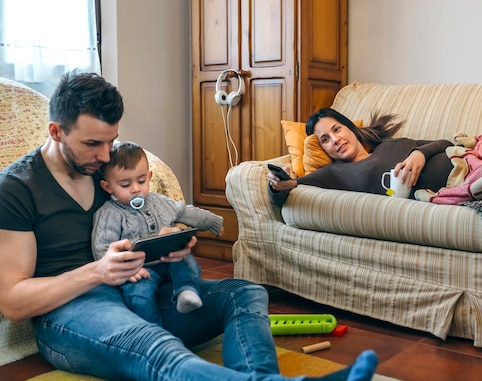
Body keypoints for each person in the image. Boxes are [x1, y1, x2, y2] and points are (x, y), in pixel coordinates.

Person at [0, 71, 378, 381]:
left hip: (146, 292)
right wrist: (99, 271)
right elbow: (14, 301)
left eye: (111, 141)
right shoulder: (17, 189)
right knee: (157, 346)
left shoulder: (111, 170)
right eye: (92, 144)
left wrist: (170, 239)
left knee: (244, 293)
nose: (105, 155)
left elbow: (151, 218)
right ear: (55, 132)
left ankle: (262, 377)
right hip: (72, 316)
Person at [92, 141, 224, 324]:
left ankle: (186, 293)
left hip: (168, 260)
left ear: (149, 176)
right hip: (139, 269)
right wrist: (123, 270)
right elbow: (102, 249)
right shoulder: (109, 214)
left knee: (187, 262)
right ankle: (151, 331)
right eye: (125, 185)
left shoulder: (160, 202)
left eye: (141, 181)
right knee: (139, 293)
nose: (135, 189)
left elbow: (186, 212)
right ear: (108, 187)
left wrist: (213, 222)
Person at [268, 107, 455, 205]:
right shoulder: (335, 173)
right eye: (325, 139)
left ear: (349, 127)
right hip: (458, 187)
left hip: (465, 162)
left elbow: (446, 144)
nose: (335, 139)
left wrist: (419, 154)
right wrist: (277, 185)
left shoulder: (389, 144)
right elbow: (288, 189)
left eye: (337, 129)